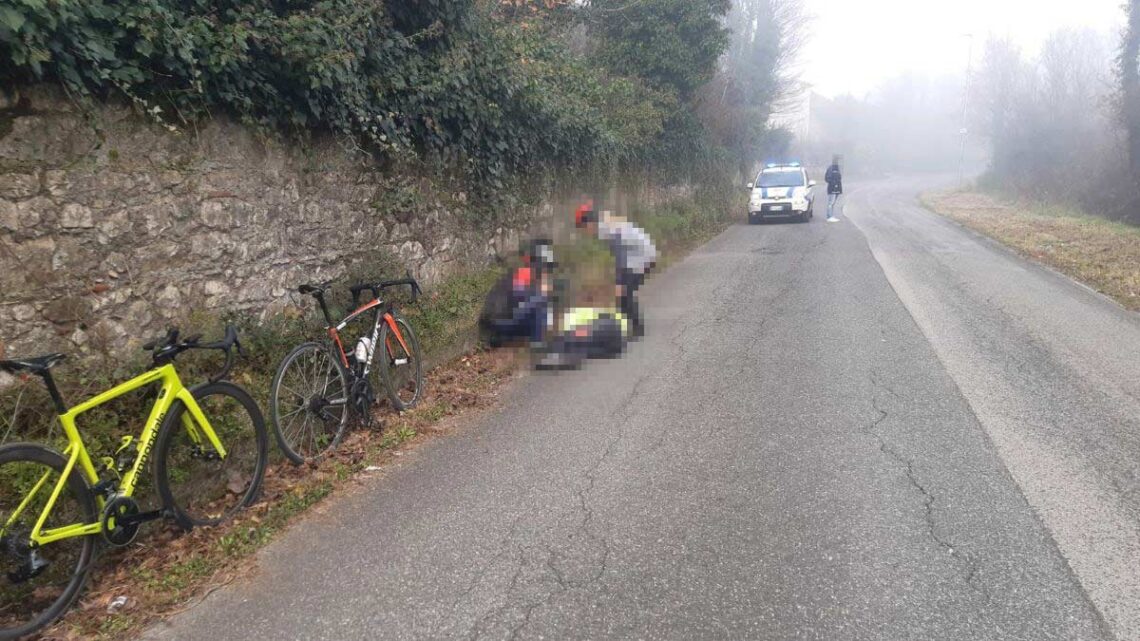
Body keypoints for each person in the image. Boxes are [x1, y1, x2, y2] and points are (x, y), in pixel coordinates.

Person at [575, 200, 657, 337]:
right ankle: (627, 327)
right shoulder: (604, 225)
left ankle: (636, 329)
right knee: (624, 295)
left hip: (641, 256)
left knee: (624, 293)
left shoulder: (607, 227)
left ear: (589, 223)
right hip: (638, 255)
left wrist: (619, 282)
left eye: (583, 227)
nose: (585, 231)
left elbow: (620, 253)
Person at [480, 238, 555, 349]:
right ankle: (536, 342)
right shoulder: (523, 275)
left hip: (502, 322)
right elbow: (519, 301)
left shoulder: (523, 275)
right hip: (503, 323)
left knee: (541, 303)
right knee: (540, 302)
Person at [824, 156, 843, 222]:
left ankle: (831, 215)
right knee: (830, 203)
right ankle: (829, 216)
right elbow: (827, 178)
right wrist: (834, 184)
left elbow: (839, 178)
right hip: (832, 189)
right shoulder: (831, 168)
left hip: (837, 189)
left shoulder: (837, 168)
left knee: (832, 203)